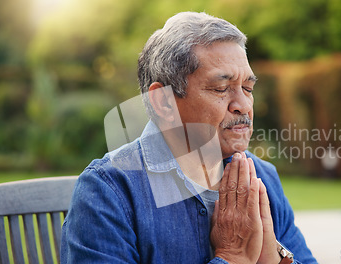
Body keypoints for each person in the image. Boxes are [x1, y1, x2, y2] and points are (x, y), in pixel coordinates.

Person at [61, 11, 317, 264]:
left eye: (248, 88)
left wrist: (276, 259)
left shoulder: (263, 178)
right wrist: (232, 257)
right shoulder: (108, 191)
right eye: (221, 89)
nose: (243, 104)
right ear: (164, 102)